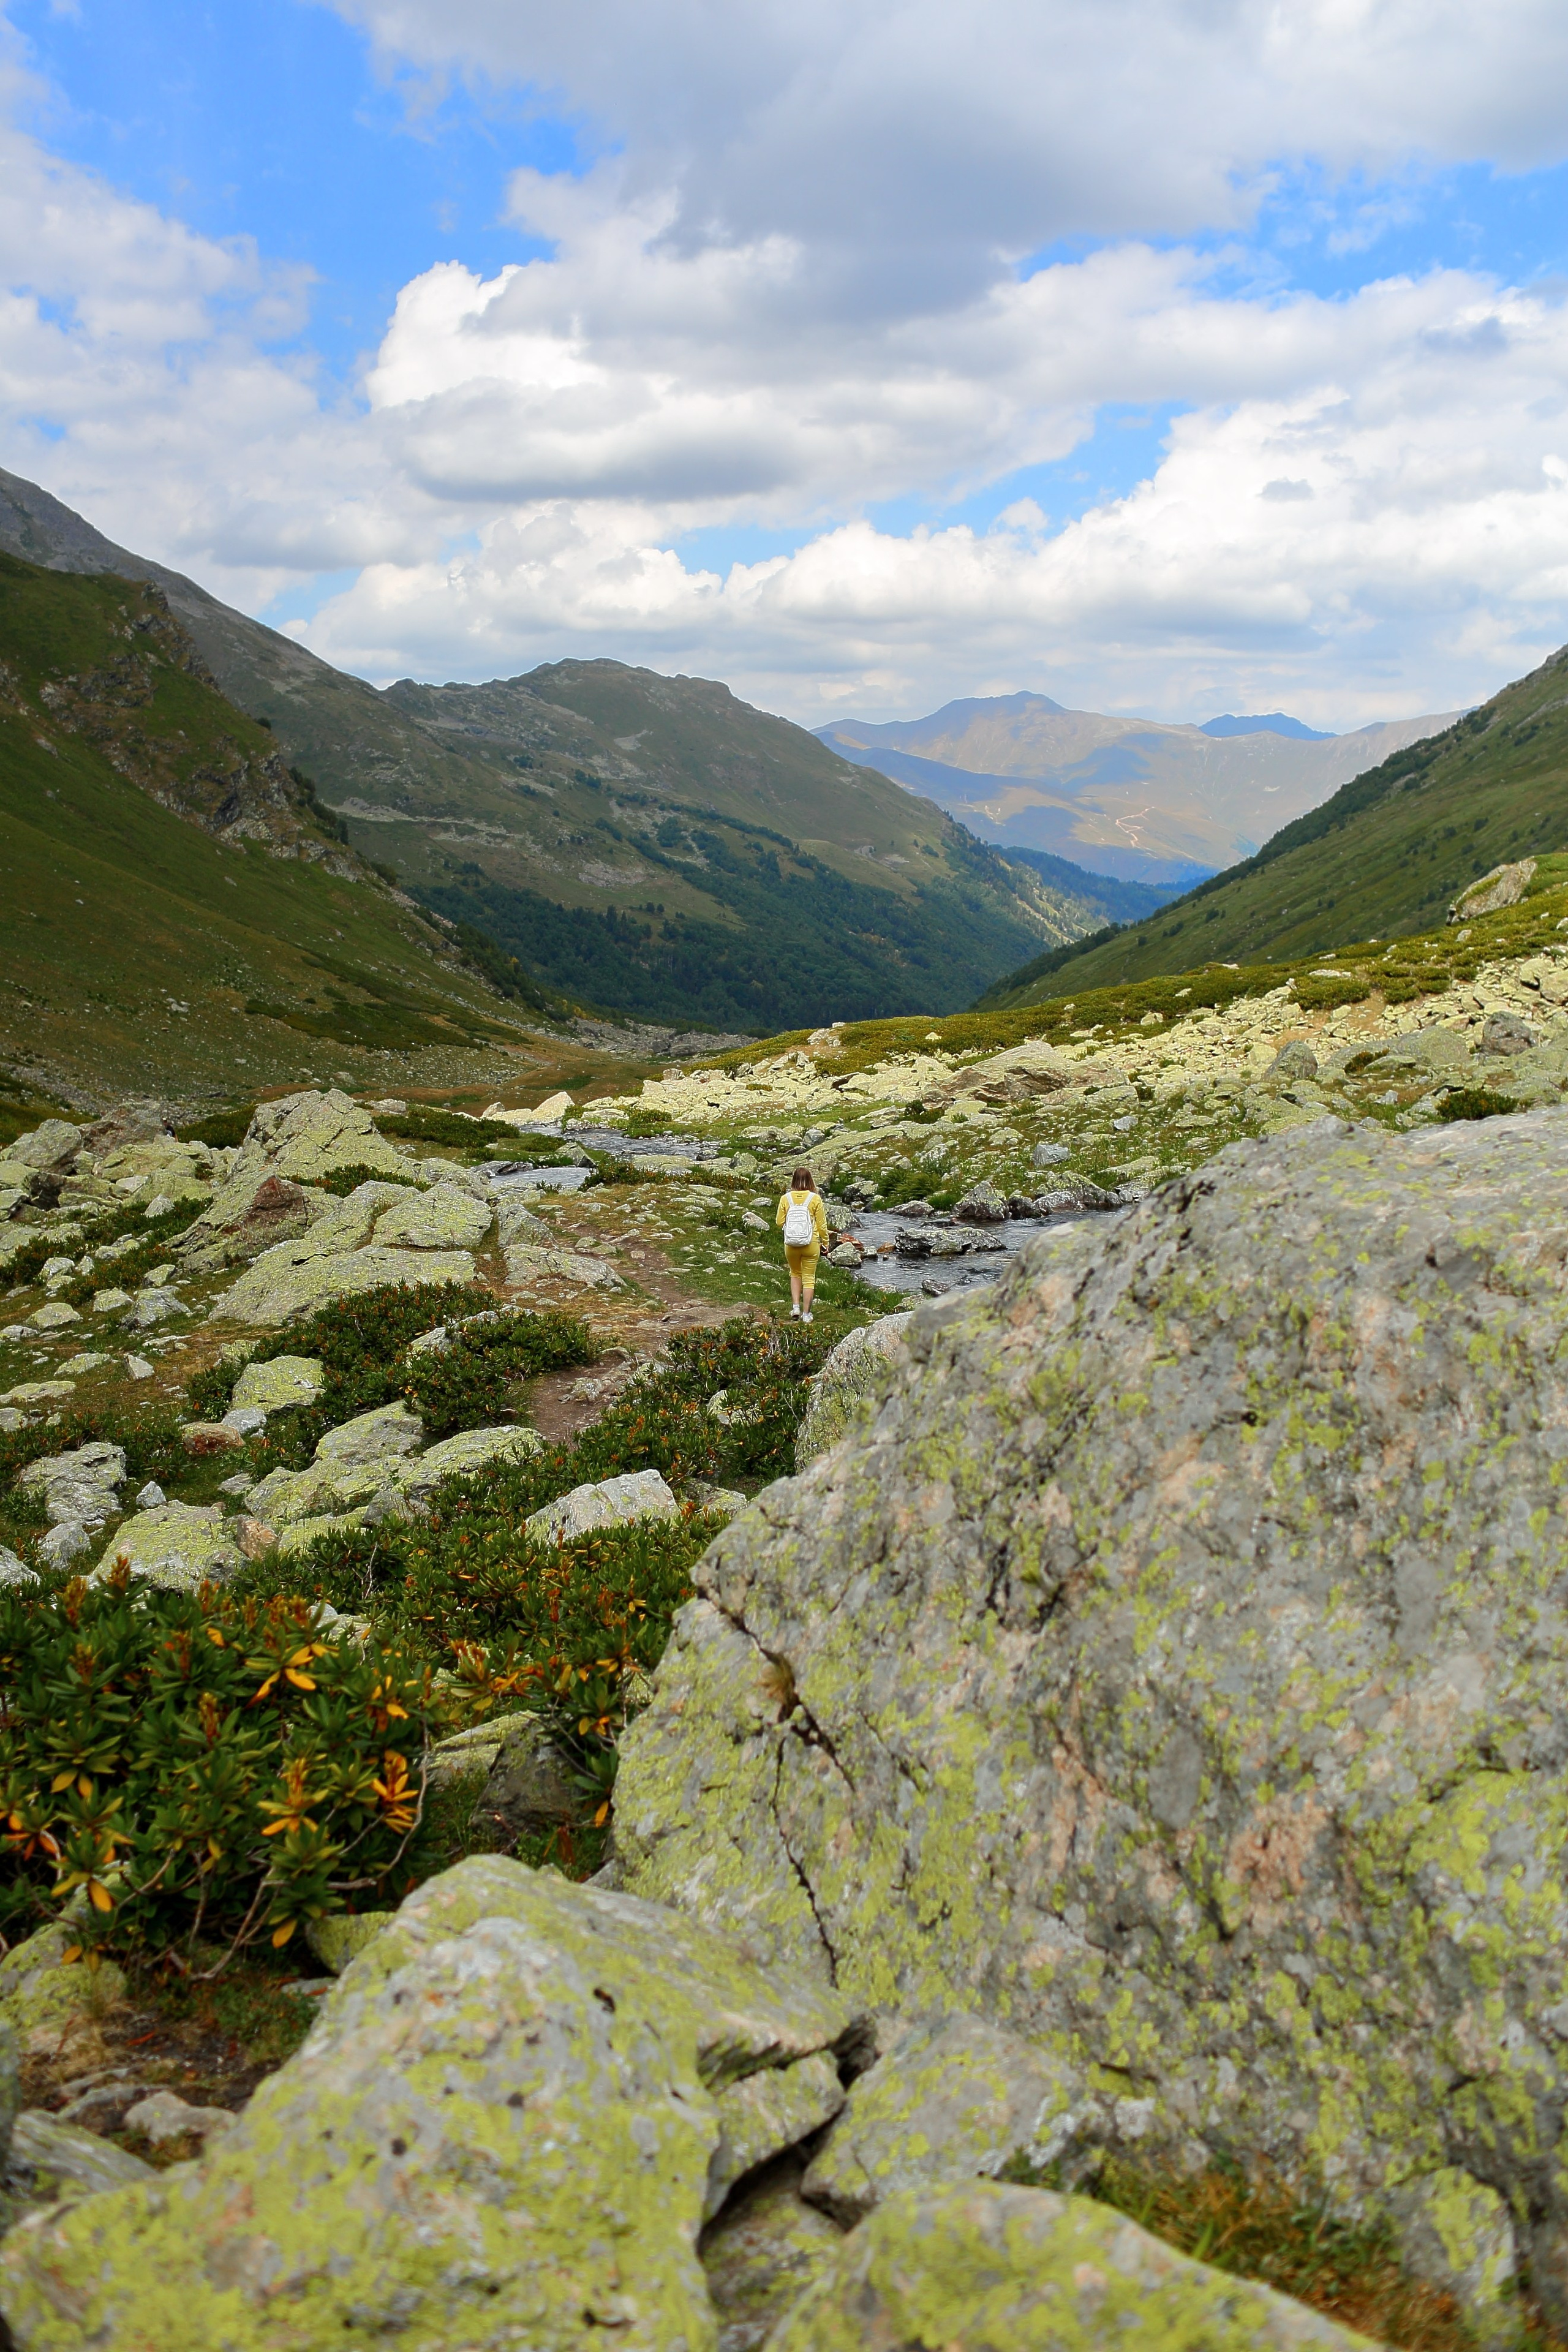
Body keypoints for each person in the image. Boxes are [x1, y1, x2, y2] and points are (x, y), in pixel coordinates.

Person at [776, 1164, 829, 1322]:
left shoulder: (786, 1198)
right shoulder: (815, 1199)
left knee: (795, 1273)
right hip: (811, 1243)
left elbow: (779, 1222)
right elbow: (822, 1225)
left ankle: (795, 1308)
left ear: (793, 1180)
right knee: (809, 1278)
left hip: (791, 1244)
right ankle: (807, 1315)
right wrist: (825, 1242)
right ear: (810, 1180)